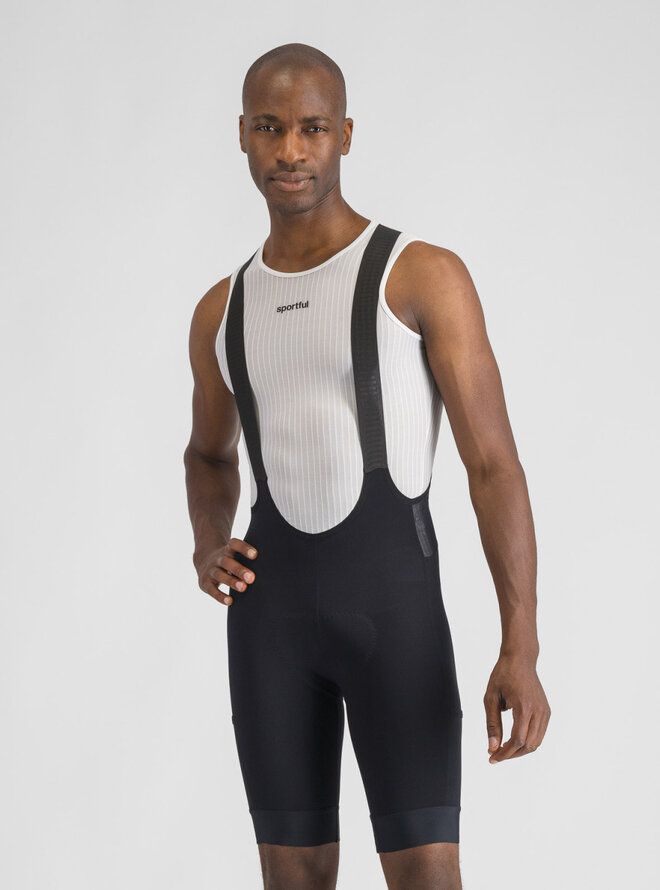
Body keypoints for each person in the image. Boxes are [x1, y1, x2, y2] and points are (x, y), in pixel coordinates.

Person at [184, 42, 550, 890]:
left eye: (312, 128)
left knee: (426, 876)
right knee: (292, 880)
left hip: (396, 619)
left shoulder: (420, 275)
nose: (290, 150)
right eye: (269, 128)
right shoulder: (221, 309)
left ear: (345, 134)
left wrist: (521, 644)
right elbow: (207, 453)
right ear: (242, 135)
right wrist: (207, 542)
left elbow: (494, 466)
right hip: (270, 630)